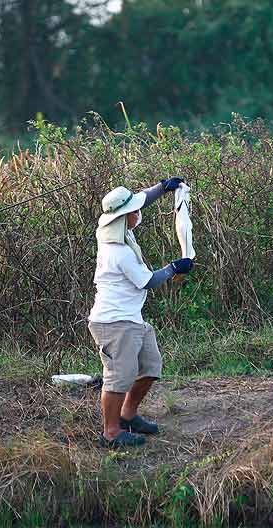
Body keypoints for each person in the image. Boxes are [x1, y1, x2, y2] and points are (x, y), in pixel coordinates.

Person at [88, 178, 194, 447]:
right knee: (118, 377)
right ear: (125, 217)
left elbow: (142, 198)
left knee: (150, 366)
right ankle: (111, 432)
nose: (139, 213)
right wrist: (174, 267)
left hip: (130, 318)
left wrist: (163, 187)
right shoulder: (118, 252)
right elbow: (148, 281)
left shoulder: (119, 230)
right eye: (134, 211)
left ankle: (128, 414)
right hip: (114, 322)